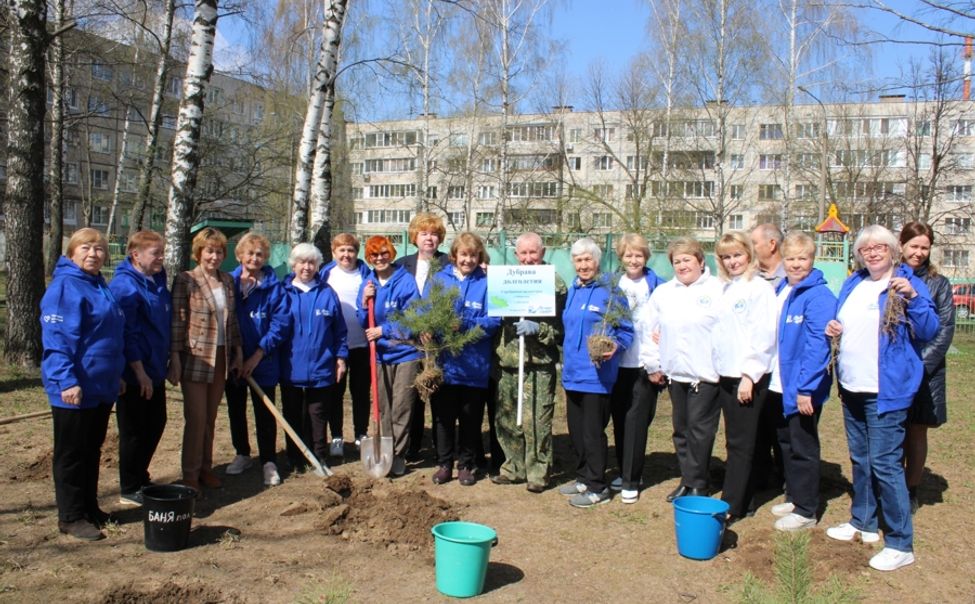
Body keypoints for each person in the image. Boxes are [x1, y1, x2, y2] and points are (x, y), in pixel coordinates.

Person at [825, 225, 938, 572]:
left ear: (893, 250)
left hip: (885, 390)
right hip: (853, 385)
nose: (872, 253)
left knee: (886, 464)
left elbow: (930, 329)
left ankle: (901, 542)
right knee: (861, 458)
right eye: (866, 249)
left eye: (879, 248)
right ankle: (863, 521)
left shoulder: (905, 284)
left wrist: (915, 300)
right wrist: (835, 326)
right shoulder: (854, 283)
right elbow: (845, 320)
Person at [41, 228, 125, 541]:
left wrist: (115, 375)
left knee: (92, 450)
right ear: (72, 252)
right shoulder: (66, 287)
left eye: (99, 249)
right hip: (73, 389)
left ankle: (90, 508)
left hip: (100, 386)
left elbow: (108, 336)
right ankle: (71, 516)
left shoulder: (98, 284)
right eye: (86, 248)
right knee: (71, 454)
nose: (94, 254)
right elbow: (58, 340)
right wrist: (66, 380)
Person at [639, 238, 723, 502]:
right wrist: (653, 363)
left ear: (700, 261)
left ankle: (698, 483)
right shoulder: (665, 293)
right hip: (676, 373)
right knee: (681, 429)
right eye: (677, 261)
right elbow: (649, 329)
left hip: (706, 374)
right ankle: (689, 479)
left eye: (687, 259)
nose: (682, 265)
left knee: (700, 430)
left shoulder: (718, 290)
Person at [766, 232, 835, 532]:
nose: (796, 264)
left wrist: (807, 388)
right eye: (791, 258)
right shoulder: (784, 288)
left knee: (803, 446)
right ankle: (794, 497)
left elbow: (817, 347)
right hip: (781, 384)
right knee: (786, 443)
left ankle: (807, 509)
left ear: (812, 259)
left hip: (802, 387)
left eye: (802, 258)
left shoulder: (819, 296)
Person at [558, 238, 633, 508]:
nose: (583, 265)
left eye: (588, 259)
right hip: (573, 373)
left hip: (597, 375)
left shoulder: (611, 292)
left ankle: (598, 486)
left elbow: (625, 330)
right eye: (578, 260)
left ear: (597, 261)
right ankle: (582, 477)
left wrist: (616, 346)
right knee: (576, 432)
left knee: (592, 433)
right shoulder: (573, 291)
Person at [169, 227, 243, 491]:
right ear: (199, 252)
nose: (214, 256)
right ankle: (190, 474)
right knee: (196, 418)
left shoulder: (227, 280)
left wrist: (237, 352)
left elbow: (232, 321)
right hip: (196, 357)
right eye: (210, 251)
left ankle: (205, 468)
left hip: (221, 356)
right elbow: (178, 323)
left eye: (219, 251)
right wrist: (175, 359)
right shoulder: (186, 280)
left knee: (211, 418)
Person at [492, 232, 566, 493]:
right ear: (516, 255)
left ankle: (538, 472)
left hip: (539, 363)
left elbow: (561, 330)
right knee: (508, 418)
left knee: (538, 420)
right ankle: (513, 468)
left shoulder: (555, 284)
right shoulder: (508, 281)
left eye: (533, 253)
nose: (528, 259)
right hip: (510, 360)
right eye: (523, 253)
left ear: (543, 252)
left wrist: (540, 328)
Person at [713, 232, 777, 522]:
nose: (732, 262)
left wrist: (749, 376)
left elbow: (762, 336)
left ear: (749, 255)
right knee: (735, 440)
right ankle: (746, 497)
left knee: (741, 444)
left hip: (747, 377)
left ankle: (732, 505)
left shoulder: (759, 289)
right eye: (726, 257)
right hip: (726, 374)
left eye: (737, 255)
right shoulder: (726, 288)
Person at [429, 233, 501, 486]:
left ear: (479, 257)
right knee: (443, 418)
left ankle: (467, 465)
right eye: (463, 255)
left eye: (473, 255)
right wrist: (427, 329)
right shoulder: (439, 280)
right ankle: (444, 464)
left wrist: (466, 325)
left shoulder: (488, 284)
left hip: (474, 365)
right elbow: (427, 312)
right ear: (454, 256)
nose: (468, 260)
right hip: (445, 365)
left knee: (471, 419)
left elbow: (494, 321)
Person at [109, 230, 171, 507]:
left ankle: (141, 475)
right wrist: (138, 371)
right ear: (136, 255)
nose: (161, 258)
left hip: (155, 366)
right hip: (135, 373)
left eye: (162, 252)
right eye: (155, 253)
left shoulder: (157, 279)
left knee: (156, 422)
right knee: (134, 429)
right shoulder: (125, 286)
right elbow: (128, 333)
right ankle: (129, 486)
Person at [224, 233, 290, 486]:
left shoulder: (274, 286)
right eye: (249, 253)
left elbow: (281, 323)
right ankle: (242, 453)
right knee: (235, 409)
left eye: (259, 254)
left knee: (265, 411)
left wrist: (258, 354)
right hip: (233, 359)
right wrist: (236, 355)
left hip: (264, 359)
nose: (254, 258)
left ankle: (269, 461)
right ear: (239, 255)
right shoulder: (228, 283)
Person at [898, 222, 955, 513]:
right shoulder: (890, 277)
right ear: (901, 244)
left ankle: (911, 489)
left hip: (924, 370)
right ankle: (892, 486)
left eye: (924, 247)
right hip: (893, 369)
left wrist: (919, 367)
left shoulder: (938, 283)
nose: (918, 252)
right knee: (893, 430)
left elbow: (944, 330)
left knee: (917, 431)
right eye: (913, 246)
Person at [358, 235, 422, 476]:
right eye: (374, 255)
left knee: (401, 407)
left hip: (405, 353)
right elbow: (362, 319)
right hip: (380, 356)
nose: (379, 258)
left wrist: (384, 330)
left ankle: (399, 453)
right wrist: (365, 303)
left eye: (384, 253)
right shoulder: (368, 283)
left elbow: (414, 319)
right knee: (383, 407)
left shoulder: (405, 281)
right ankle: (385, 453)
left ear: (391, 254)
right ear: (369, 258)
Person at [281, 243, 348, 468]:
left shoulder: (327, 293)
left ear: (318, 266)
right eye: (302, 262)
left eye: (311, 263)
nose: (307, 267)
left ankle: (319, 454)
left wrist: (340, 358)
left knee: (318, 414)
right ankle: (294, 456)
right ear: (294, 265)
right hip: (291, 366)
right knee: (293, 413)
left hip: (321, 365)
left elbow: (339, 330)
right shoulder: (283, 292)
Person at [608, 233, 664, 504]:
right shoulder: (611, 284)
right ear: (621, 257)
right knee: (619, 419)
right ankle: (624, 470)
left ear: (646, 258)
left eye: (638, 255)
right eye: (629, 255)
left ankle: (632, 480)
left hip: (645, 362)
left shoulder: (658, 286)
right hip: (617, 363)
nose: (633, 260)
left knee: (637, 420)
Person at [396, 213, 448, 460]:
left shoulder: (449, 263)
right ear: (414, 236)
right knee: (411, 397)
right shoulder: (402, 265)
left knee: (438, 395)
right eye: (424, 233)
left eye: (435, 233)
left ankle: (442, 450)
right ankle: (412, 446)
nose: (429, 238)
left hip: (437, 341)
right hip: (408, 341)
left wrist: (433, 328)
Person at [320, 233, 370, 455]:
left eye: (350, 250)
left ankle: (361, 434)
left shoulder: (366, 274)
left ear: (356, 253)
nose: (346, 255)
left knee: (360, 392)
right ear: (334, 252)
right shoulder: (326, 274)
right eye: (342, 250)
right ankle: (337, 437)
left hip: (362, 345)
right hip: (334, 346)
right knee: (335, 393)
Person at [749, 223, 787, 495]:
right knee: (758, 425)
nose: (751, 249)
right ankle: (761, 476)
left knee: (783, 429)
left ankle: (787, 478)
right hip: (757, 364)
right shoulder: (752, 277)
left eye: (754, 243)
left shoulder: (792, 275)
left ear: (771, 244)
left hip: (783, 365)